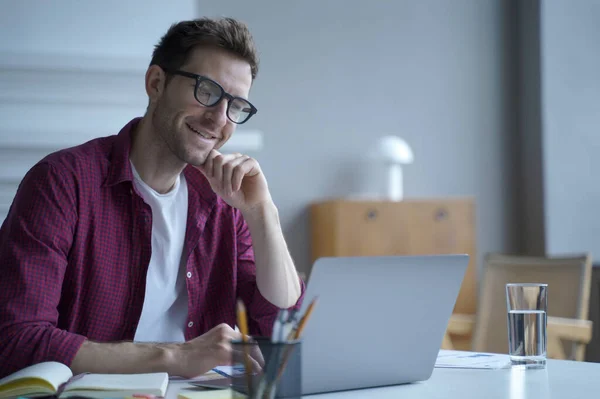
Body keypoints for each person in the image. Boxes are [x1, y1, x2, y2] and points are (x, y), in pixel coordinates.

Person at [0, 17, 304, 379]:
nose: (219, 119)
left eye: (236, 106)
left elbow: (277, 328)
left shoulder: (224, 203)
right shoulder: (61, 183)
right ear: (156, 83)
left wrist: (261, 210)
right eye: (207, 91)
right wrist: (175, 357)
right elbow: (17, 339)